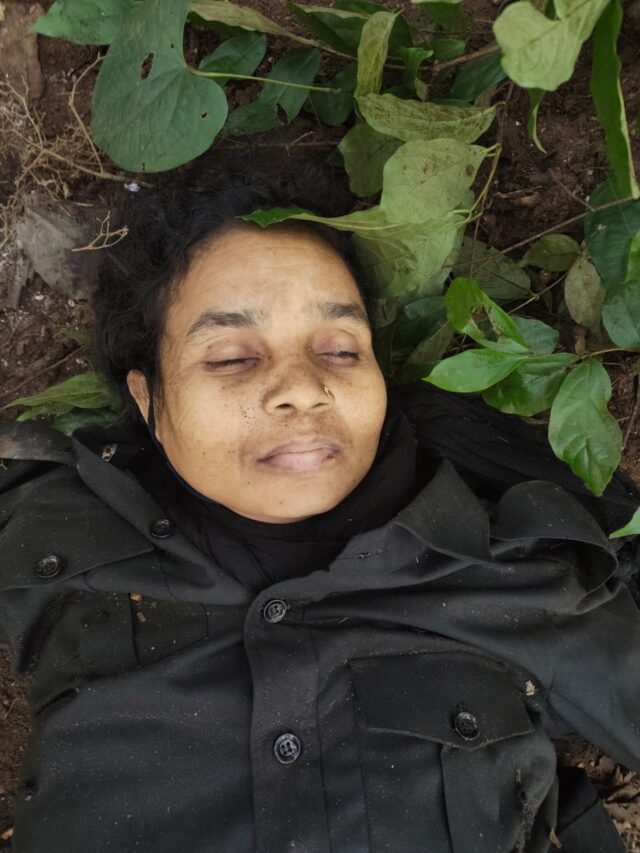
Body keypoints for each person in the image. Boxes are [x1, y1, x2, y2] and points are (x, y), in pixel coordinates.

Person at [1, 158, 639, 853]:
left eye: (339, 349)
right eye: (231, 357)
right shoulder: (53, 520)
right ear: (148, 399)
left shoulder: (518, 580)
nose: (302, 388)